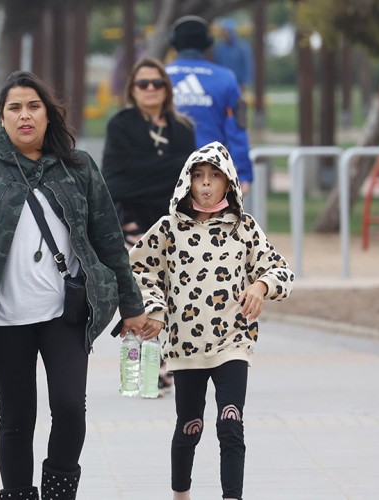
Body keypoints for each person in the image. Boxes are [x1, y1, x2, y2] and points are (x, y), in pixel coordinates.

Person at [0, 70, 148, 500]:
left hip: (66, 312)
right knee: (17, 417)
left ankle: (58, 494)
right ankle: (19, 494)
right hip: (2, 317)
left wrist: (132, 305)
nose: (24, 116)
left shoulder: (77, 168)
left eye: (33, 106)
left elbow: (109, 238)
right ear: (1, 118)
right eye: (14, 108)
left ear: (49, 115)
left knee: (71, 408)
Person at [125, 142, 294, 500]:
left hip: (234, 341)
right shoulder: (169, 228)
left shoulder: (243, 228)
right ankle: (181, 494)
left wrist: (261, 286)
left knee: (231, 424)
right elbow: (136, 268)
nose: (205, 184)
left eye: (214, 176)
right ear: (187, 181)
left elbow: (281, 270)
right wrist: (154, 308)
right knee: (190, 427)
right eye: (198, 176)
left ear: (228, 183)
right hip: (186, 347)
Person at [102, 56, 196, 248]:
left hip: (177, 229)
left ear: (167, 88)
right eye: (143, 84)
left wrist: (142, 172)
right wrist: (175, 166)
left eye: (158, 83)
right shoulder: (120, 125)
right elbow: (114, 182)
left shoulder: (184, 128)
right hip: (132, 229)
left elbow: (188, 180)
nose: (151, 88)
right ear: (133, 90)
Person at [166, 15, 254, 196]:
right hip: (211, 176)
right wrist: (244, 175)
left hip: (164, 175)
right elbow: (237, 129)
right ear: (208, 43)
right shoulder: (226, 78)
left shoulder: (158, 78)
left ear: (173, 42)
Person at [212, 19, 253, 93]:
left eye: (226, 31)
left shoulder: (242, 47)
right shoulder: (220, 49)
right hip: (222, 83)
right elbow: (217, 65)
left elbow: (247, 66)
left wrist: (244, 83)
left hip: (238, 83)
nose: (224, 34)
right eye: (222, 31)